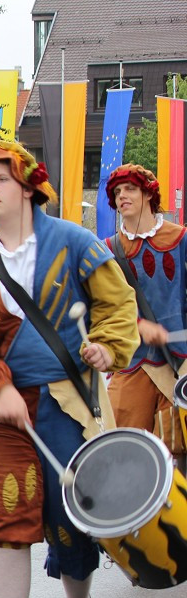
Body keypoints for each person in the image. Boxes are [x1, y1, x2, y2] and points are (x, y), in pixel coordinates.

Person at [0, 139, 139, 598]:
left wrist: (104, 344)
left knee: (71, 519)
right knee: (3, 517)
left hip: (67, 403)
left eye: (0, 179)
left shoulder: (77, 243)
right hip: (0, 409)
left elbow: (117, 304)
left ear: (29, 187)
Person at [102, 164, 187, 459]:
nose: (121, 195)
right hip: (132, 362)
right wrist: (137, 325)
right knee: (121, 450)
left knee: (175, 452)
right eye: (117, 192)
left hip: (178, 364)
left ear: (148, 194)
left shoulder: (181, 239)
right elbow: (105, 307)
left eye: (130, 189)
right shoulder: (109, 250)